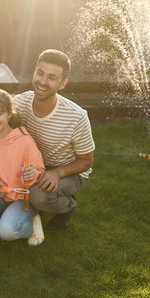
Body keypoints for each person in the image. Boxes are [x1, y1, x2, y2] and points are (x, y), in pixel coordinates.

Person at [13, 49, 95, 231]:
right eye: (40, 73)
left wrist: (57, 173)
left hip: (68, 171)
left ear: (63, 83)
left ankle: (67, 207)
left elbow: (87, 161)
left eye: (51, 77)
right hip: (34, 166)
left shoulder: (77, 116)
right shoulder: (19, 103)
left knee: (39, 196)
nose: (42, 81)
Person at [0, 89, 45, 248]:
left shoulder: (24, 140)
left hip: (22, 199)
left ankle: (32, 225)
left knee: (8, 233)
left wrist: (32, 174)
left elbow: (39, 169)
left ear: (9, 114)